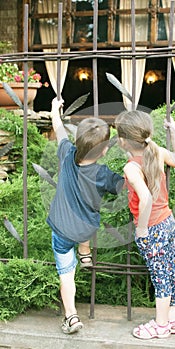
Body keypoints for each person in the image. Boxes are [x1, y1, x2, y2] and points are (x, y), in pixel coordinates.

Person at [47, 97, 124, 334]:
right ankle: (85, 253)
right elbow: (125, 186)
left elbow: (59, 130)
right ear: (103, 151)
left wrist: (54, 112)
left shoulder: (67, 153)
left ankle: (71, 316)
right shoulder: (103, 173)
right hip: (85, 229)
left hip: (61, 229)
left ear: (77, 141)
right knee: (89, 218)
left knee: (65, 274)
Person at [115, 110, 175, 339]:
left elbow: (144, 198)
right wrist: (173, 132)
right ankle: (173, 319)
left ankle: (161, 325)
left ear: (123, 140)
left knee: (160, 276)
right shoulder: (155, 151)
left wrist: (141, 229)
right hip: (168, 221)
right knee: (169, 271)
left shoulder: (131, 167)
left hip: (153, 228)